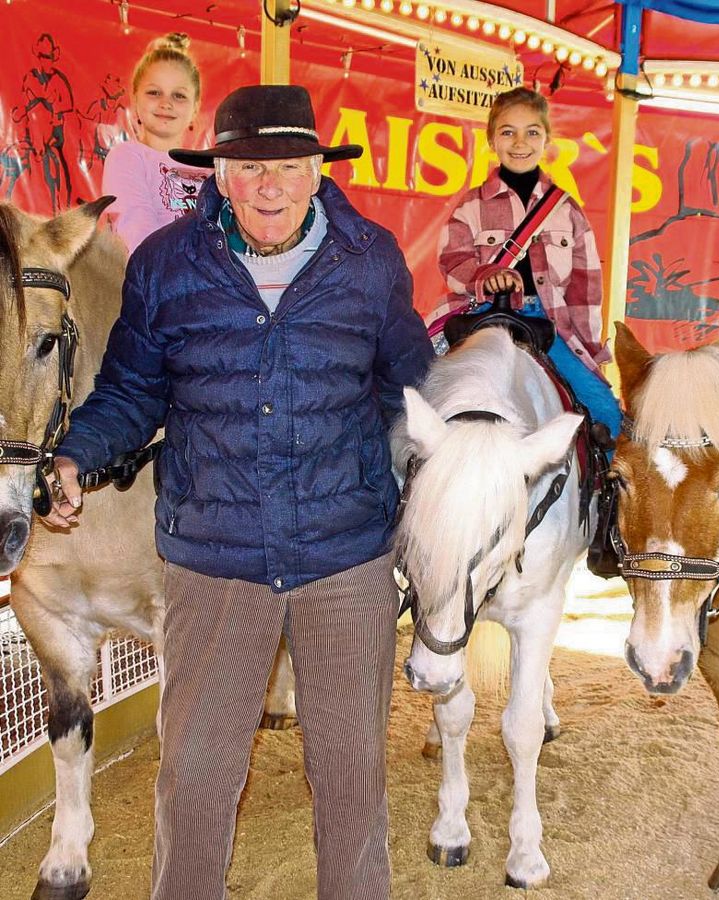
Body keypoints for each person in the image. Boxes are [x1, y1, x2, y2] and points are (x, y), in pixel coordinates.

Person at [44, 84, 435, 900]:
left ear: (317, 172)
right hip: (215, 561)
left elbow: (413, 388)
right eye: (249, 168)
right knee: (194, 779)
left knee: (352, 779)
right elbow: (128, 393)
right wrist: (78, 454)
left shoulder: (371, 261)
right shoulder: (166, 267)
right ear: (217, 172)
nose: (271, 186)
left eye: (290, 167)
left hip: (345, 557)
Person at [434, 86, 621, 441]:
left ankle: (603, 496)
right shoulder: (470, 206)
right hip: (485, 315)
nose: (520, 143)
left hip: (547, 323)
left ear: (547, 139)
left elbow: (585, 289)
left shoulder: (567, 211)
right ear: (491, 139)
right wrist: (485, 275)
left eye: (532, 132)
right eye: (508, 132)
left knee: (606, 413)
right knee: (414, 398)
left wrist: (590, 352)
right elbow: (452, 260)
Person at [102, 32, 209, 253]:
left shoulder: (212, 170)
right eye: (154, 92)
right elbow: (137, 240)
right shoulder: (126, 157)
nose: (166, 103)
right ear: (135, 99)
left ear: (196, 107)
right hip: (152, 281)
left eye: (178, 96)